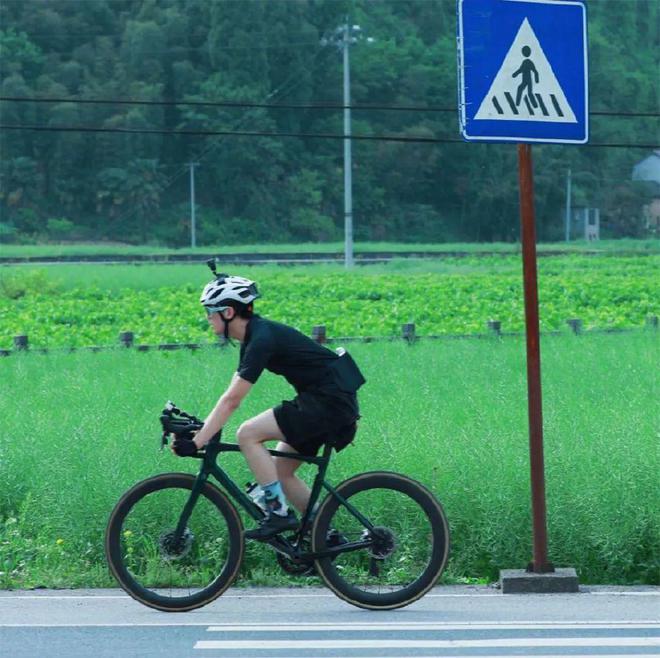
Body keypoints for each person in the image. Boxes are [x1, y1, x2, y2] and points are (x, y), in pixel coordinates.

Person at [171, 267, 364, 541]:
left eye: (210, 312)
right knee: (281, 472)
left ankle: (278, 514)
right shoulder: (254, 338)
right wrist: (203, 431)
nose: (208, 319)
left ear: (228, 312)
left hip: (328, 403)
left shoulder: (262, 339)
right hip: (327, 402)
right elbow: (230, 394)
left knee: (247, 434)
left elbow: (232, 401)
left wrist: (199, 441)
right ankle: (325, 536)